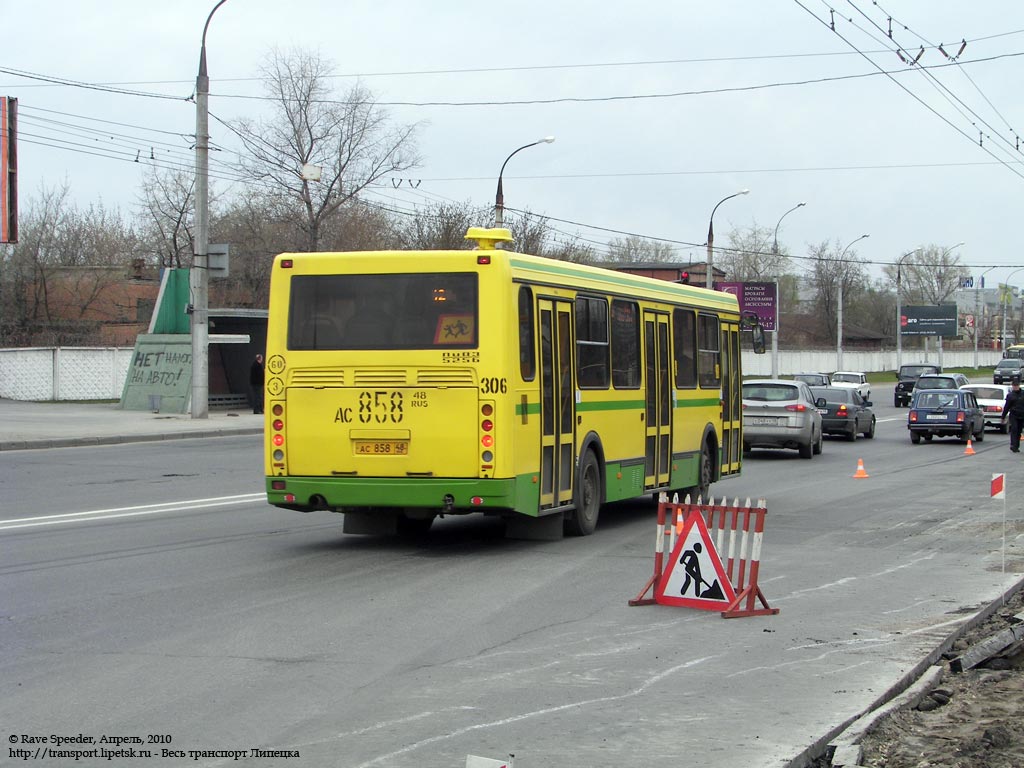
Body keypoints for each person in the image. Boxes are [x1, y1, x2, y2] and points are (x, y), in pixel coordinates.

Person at [1002, 377, 1024, 452]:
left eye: (1016, 385)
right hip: (1014, 415)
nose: (1015, 387)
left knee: (1019, 431)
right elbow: (1007, 407)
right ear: (1012, 386)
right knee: (1014, 429)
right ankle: (1013, 445)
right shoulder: (1010, 395)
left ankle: (1017, 446)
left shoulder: (1023, 394)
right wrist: (1003, 417)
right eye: (1014, 386)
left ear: (1019, 385)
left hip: (1022, 415)